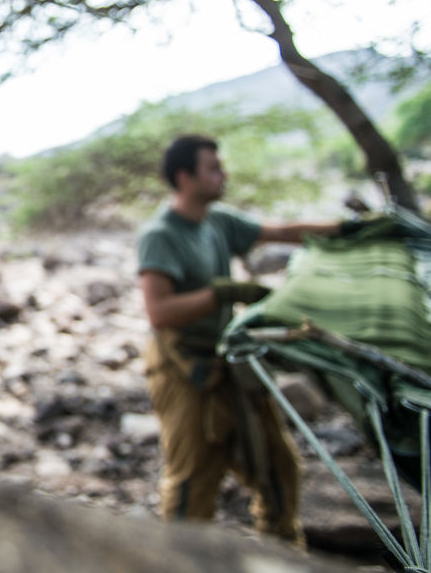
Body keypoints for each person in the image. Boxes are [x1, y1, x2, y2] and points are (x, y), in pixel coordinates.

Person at [136, 134, 340, 544]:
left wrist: (346, 230)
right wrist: (222, 294)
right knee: (194, 477)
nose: (223, 174)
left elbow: (281, 231)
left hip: (227, 356)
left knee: (277, 465)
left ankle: (282, 553)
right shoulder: (161, 235)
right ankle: (183, 569)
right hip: (183, 366)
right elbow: (158, 311)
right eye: (213, 168)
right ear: (185, 178)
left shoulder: (217, 221)